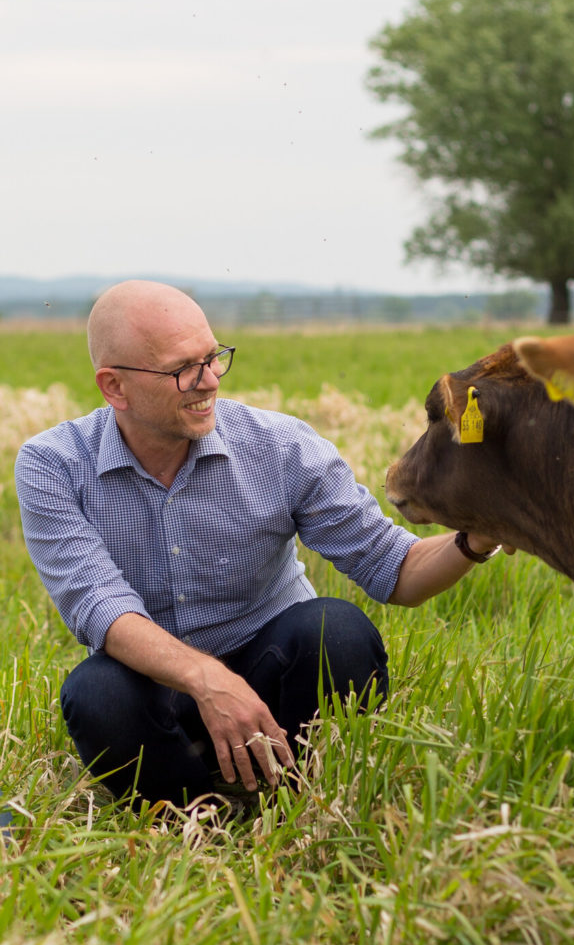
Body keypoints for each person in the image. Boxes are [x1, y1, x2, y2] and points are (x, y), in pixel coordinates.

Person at [14, 280, 503, 810]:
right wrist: (206, 681)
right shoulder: (54, 464)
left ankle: (293, 795)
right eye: (183, 369)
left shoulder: (282, 446)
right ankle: (190, 816)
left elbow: (396, 569)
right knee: (96, 694)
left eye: (214, 357)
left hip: (272, 681)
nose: (209, 382)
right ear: (115, 388)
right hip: (155, 694)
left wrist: (473, 539)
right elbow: (102, 609)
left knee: (336, 630)